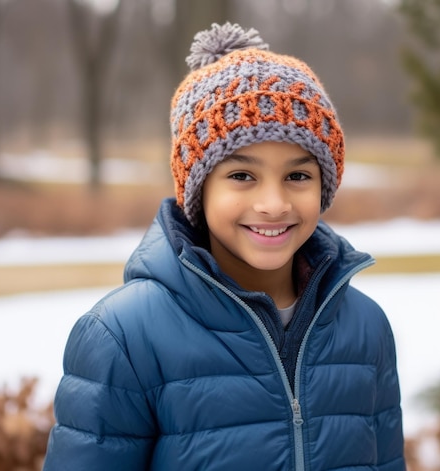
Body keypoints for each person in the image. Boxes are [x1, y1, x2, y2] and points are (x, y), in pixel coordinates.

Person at [43, 22, 405, 471]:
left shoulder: (365, 328)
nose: (273, 204)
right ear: (198, 191)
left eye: (297, 176)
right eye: (241, 176)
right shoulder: (123, 337)